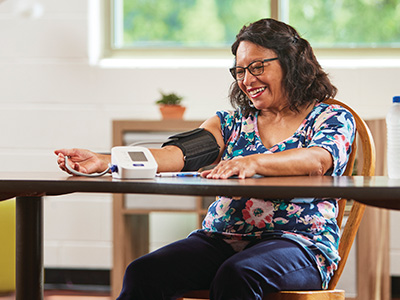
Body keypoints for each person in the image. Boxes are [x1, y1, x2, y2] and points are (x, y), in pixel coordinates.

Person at [55, 18, 356, 300]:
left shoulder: (331, 117)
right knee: (144, 272)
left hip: (299, 246)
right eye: (240, 71)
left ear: (291, 62)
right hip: (220, 240)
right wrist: (107, 161)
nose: (247, 80)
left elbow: (317, 159)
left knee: (239, 274)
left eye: (257, 67)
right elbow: (177, 155)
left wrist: (253, 162)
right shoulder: (230, 122)